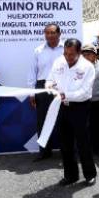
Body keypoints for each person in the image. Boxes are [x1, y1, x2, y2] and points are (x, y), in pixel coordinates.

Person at [46, 39, 97, 187]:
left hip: (80, 107)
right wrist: (50, 87)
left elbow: (84, 92)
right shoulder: (58, 62)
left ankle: (90, 174)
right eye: (66, 53)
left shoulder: (87, 67)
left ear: (79, 53)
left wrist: (65, 95)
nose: (68, 57)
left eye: (72, 54)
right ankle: (70, 175)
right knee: (65, 142)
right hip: (61, 106)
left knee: (83, 142)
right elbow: (50, 80)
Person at [27, 23, 64, 161]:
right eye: (47, 33)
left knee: (63, 119)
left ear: (59, 34)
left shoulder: (66, 49)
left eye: (52, 32)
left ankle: (65, 150)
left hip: (61, 86)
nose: (49, 35)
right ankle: (44, 151)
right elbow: (32, 72)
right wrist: (32, 93)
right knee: (42, 120)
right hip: (42, 87)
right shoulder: (38, 51)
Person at [81, 44, 99, 157]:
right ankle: (87, 149)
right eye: (84, 54)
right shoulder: (78, 67)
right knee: (85, 126)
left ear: (95, 55)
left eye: (89, 54)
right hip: (83, 102)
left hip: (98, 101)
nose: (86, 56)